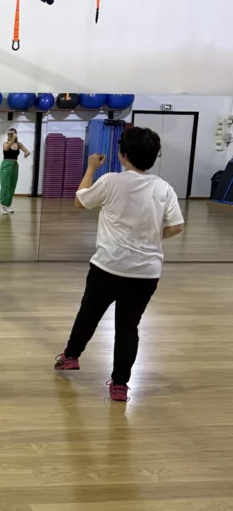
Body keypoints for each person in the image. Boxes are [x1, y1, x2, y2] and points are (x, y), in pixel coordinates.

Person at [54, 128, 185, 401]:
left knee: (88, 315)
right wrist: (151, 237)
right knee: (128, 327)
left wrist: (91, 167)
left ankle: (70, 357)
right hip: (146, 273)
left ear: (123, 155)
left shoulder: (111, 181)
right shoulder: (164, 188)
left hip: (107, 267)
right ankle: (120, 385)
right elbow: (176, 227)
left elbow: (80, 201)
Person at [0, 128, 31, 214]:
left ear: (16, 134)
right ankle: (3, 206)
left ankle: (8, 205)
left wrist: (26, 154)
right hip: (6, 164)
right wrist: (13, 139)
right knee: (5, 185)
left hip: (15, 165)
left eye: (12, 134)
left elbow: (27, 151)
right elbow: (6, 149)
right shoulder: (5, 143)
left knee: (12, 186)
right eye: (9, 134)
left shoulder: (18, 144)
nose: (10, 135)